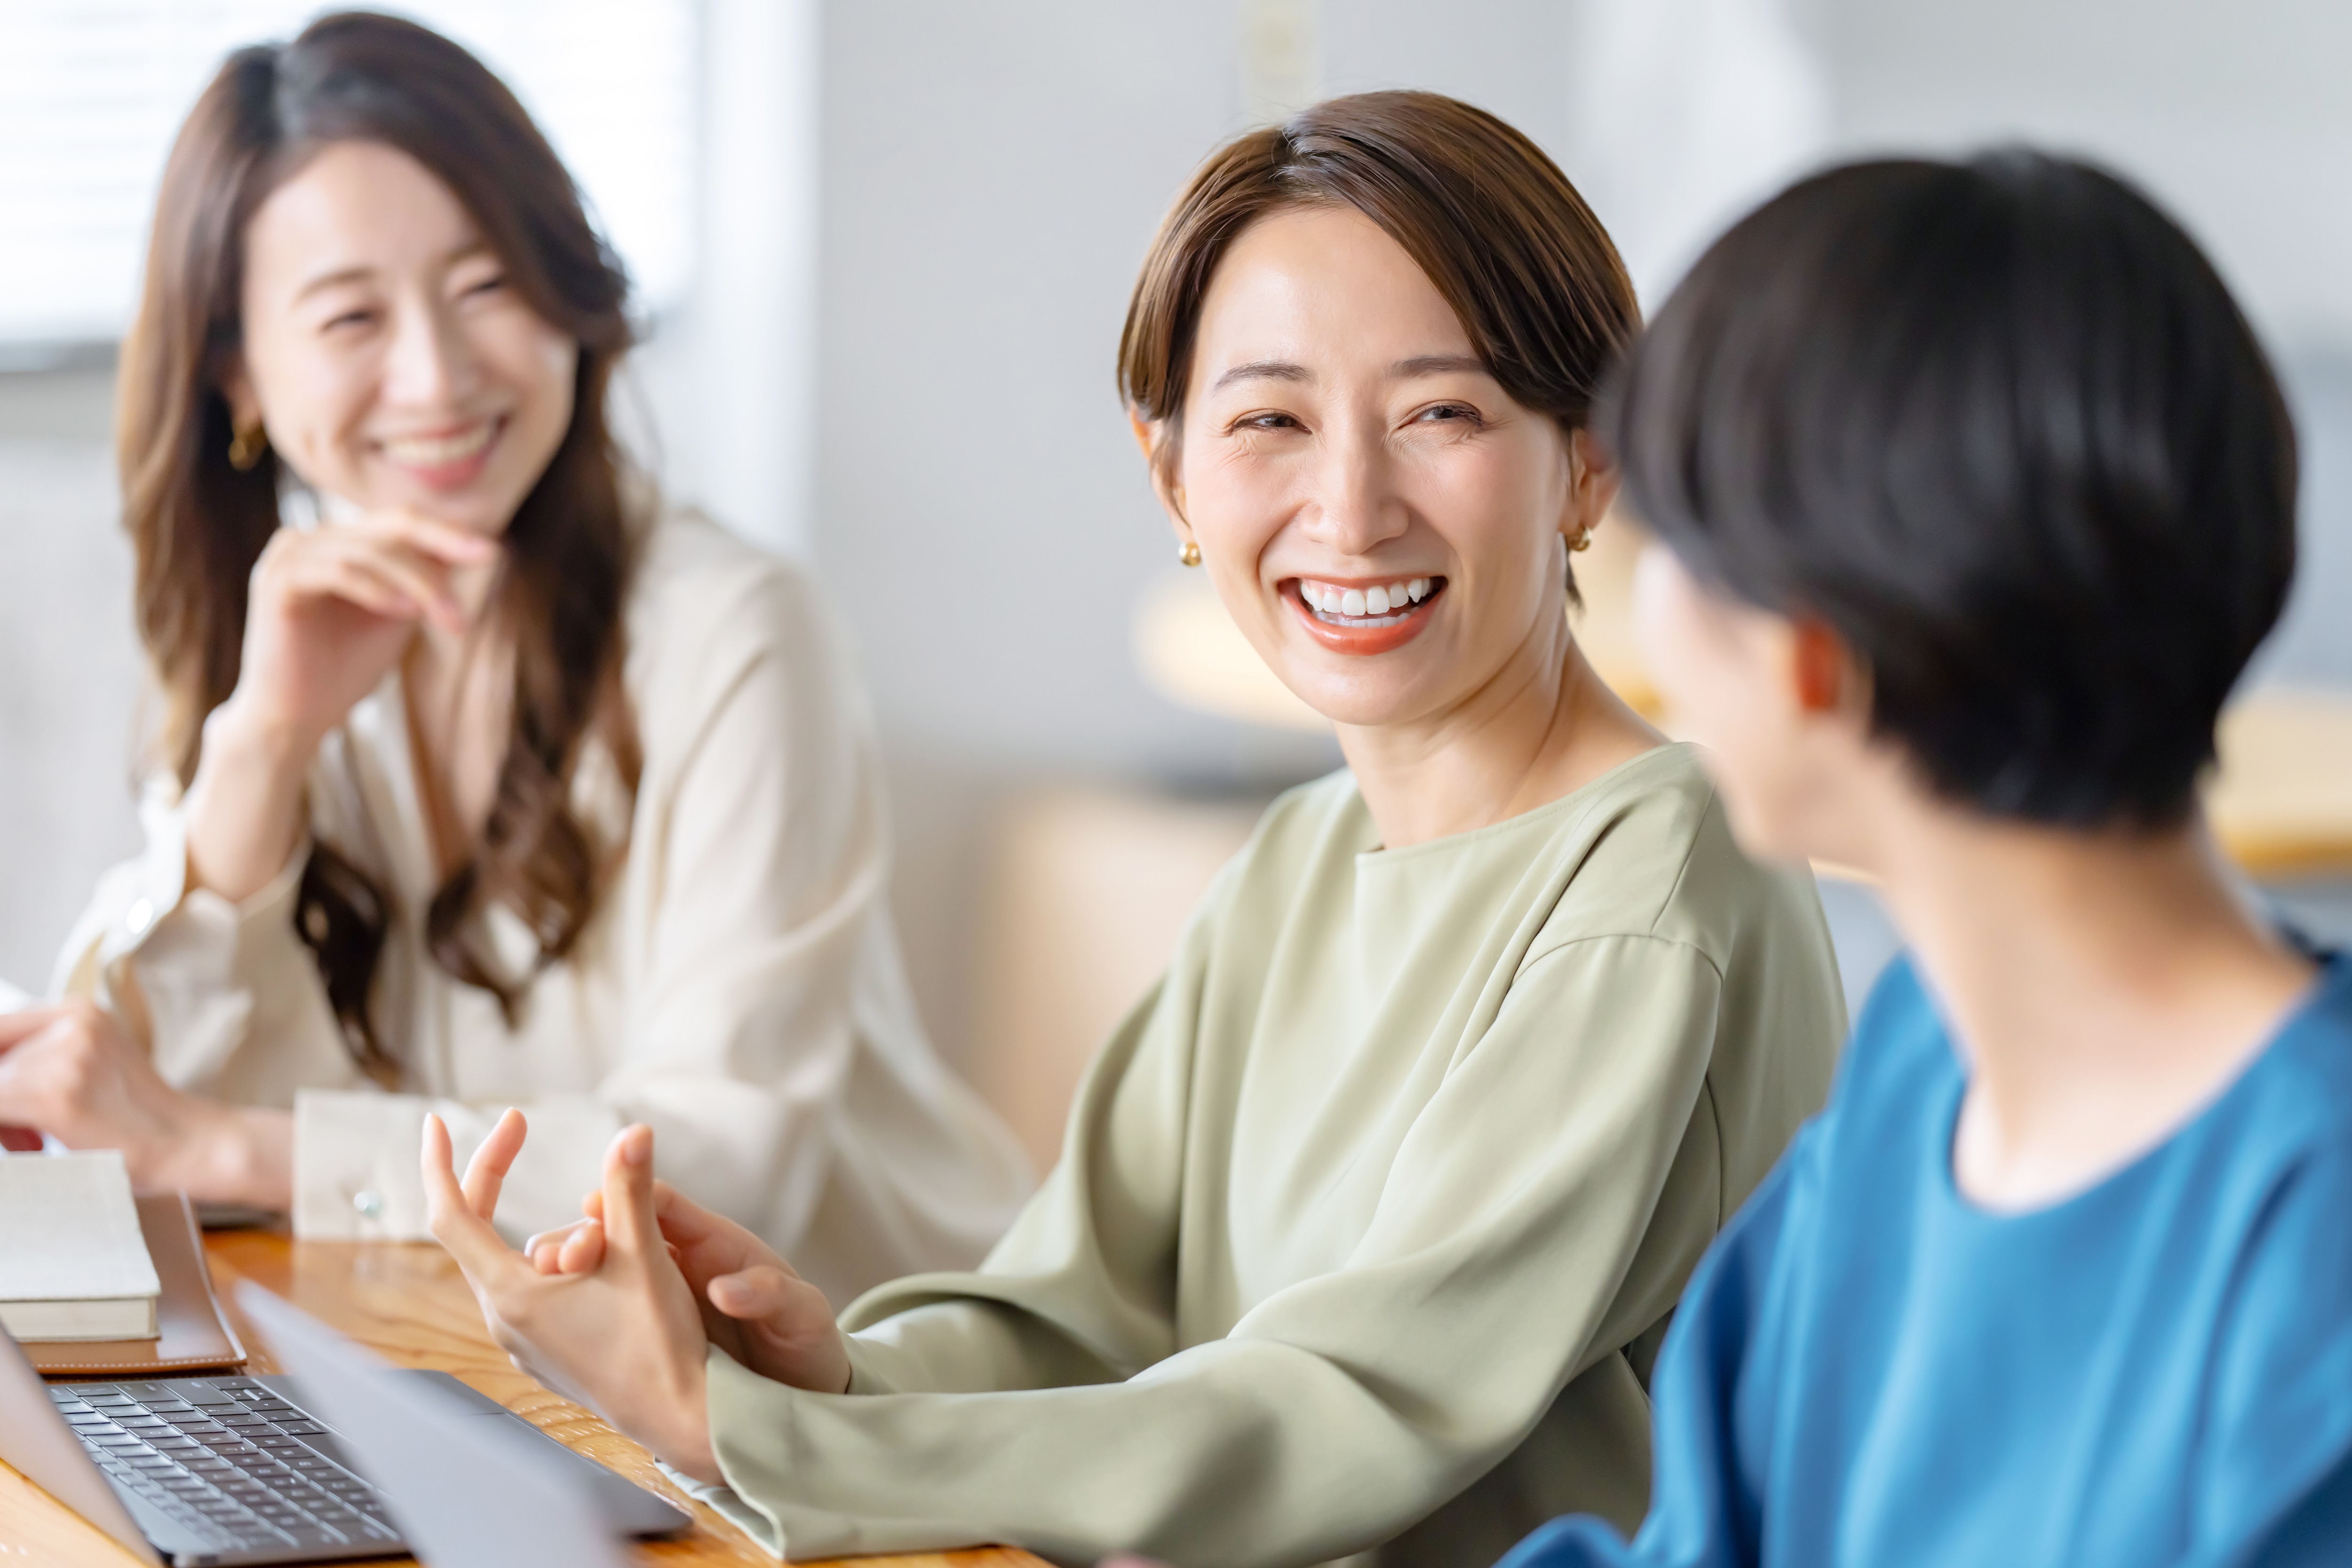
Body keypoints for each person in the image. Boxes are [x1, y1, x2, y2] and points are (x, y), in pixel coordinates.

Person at [422, 91, 1848, 1568]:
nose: (1350, 511)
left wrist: (759, 1439)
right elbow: (1085, 1309)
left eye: (1442, 413)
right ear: (1173, 473)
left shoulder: (1666, 881)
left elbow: (1355, 1404)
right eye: (1270, 422)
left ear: (1594, 457)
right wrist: (827, 1369)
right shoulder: (1303, 856)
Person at [0, 12, 1031, 1305]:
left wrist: (232, 1150)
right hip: (492, 1372)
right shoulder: (285, 635)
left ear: (568, 297)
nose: (436, 377)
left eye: (488, 285)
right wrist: (264, 743)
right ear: (238, 374)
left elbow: (720, 1168)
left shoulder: (736, 632)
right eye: (351, 317)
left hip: (857, 1396)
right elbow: (147, 1109)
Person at [1494, 152, 2352, 1568]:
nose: (1652, 625)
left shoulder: (2307, 1224)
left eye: (1680, 554)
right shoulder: (1919, 1075)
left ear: (1815, 664)